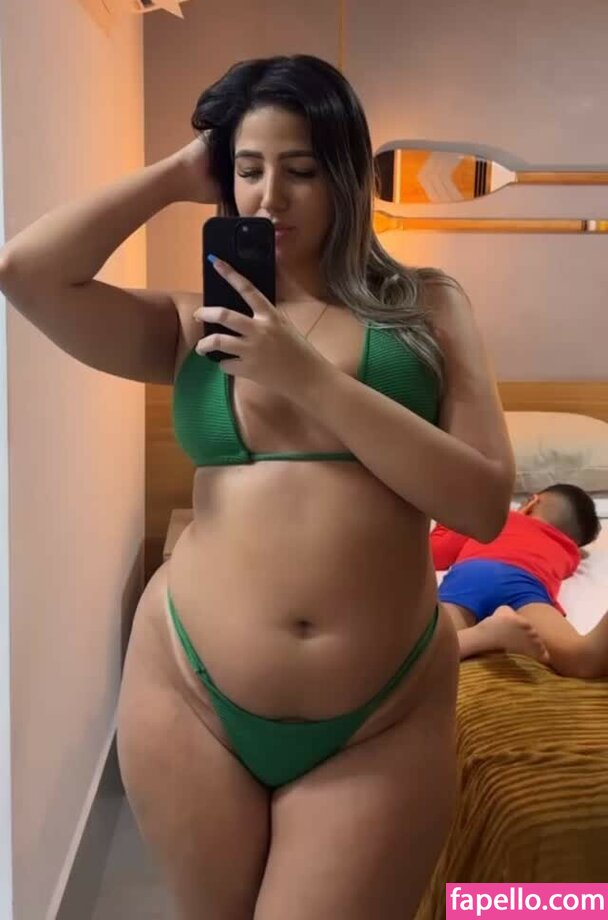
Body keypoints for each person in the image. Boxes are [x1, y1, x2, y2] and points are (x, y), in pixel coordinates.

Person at [0, 55, 515, 920]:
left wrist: (304, 376)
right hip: (188, 691)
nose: (269, 197)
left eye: (300, 169)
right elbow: (27, 273)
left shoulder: (426, 307)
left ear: (346, 174)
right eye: (247, 170)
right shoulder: (193, 325)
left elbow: (484, 503)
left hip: (380, 715)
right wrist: (177, 173)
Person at [433, 483, 607, 678]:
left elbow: (436, 554)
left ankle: (482, 636)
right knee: (582, 659)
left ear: (531, 503)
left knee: (429, 651)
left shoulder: (496, 520)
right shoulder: (570, 552)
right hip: (526, 587)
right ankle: (496, 634)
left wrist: (450, 520)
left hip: (469, 577)